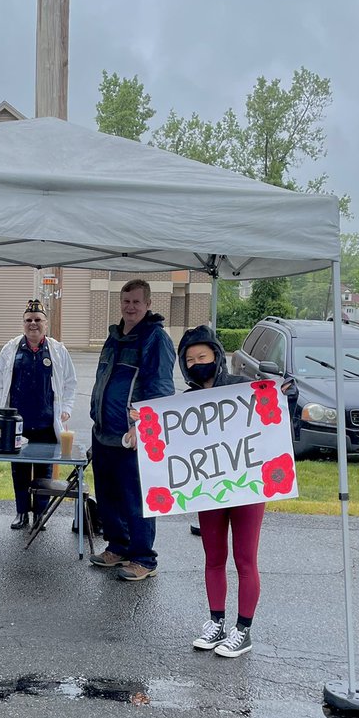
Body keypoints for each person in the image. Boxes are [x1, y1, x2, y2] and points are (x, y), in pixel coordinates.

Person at [175, 324, 295, 658]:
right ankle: (216, 622)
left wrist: (286, 396)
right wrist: (140, 428)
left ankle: (243, 630)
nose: (198, 362)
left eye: (203, 355)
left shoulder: (244, 388)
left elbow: (280, 419)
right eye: (191, 358)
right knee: (213, 558)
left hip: (248, 489)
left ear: (216, 355)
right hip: (208, 491)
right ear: (184, 366)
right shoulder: (185, 403)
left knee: (245, 559)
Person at [89, 278, 176, 581]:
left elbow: (160, 388)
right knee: (108, 495)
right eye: (126, 301)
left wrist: (143, 427)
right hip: (104, 432)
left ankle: (143, 558)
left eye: (137, 302)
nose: (131, 307)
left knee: (135, 497)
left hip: (133, 436)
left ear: (149, 304)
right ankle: (118, 546)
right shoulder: (113, 337)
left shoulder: (155, 339)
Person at [0, 299, 78, 530]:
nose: (33, 324)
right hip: (17, 423)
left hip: (47, 422)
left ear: (46, 324)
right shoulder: (11, 349)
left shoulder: (58, 350)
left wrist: (66, 409)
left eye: (38, 320)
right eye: (28, 320)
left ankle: (40, 513)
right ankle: (21, 513)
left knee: (44, 470)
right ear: (23, 323)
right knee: (19, 470)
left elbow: (70, 382)